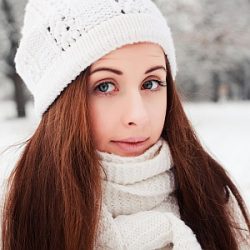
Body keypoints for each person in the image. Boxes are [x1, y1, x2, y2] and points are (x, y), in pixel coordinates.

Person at [1, 0, 250, 249]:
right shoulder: (19, 213)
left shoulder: (214, 199)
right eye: (105, 86)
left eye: (151, 83)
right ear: (61, 103)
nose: (138, 116)